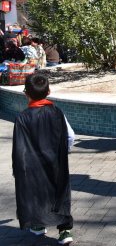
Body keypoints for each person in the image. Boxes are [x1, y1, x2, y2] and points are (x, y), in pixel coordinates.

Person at [12, 73, 75, 245]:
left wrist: (18, 169)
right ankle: (64, 231)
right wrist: (64, 153)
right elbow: (70, 136)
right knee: (59, 195)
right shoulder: (57, 113)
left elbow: (19, 147)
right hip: (56, 164)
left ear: (26, 93)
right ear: (49, 91)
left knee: (36, 195)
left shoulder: (22, 118)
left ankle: (38, 225)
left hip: (32, 167)